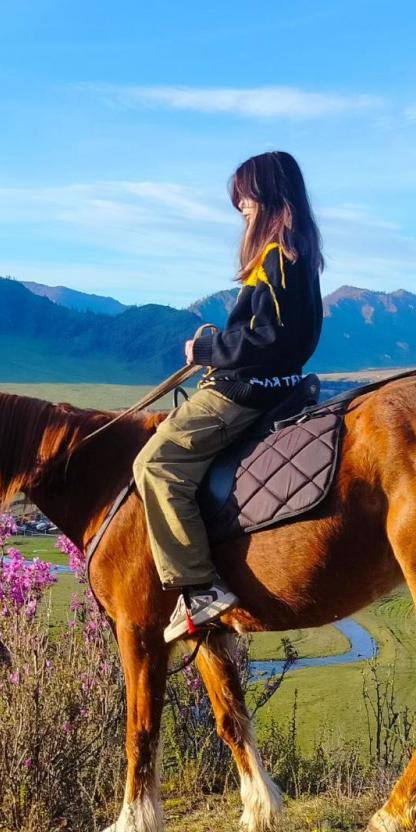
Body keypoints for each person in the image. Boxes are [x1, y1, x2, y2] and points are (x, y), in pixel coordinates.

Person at [132, 151, 324, 643]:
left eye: (246, 197)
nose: (241, 207)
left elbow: (273, 339)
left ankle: (200, 588)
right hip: (275, 385)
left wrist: (208, 350)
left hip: (246, 390)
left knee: (155, 463)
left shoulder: (277, 255)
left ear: (270, 195)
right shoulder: (296, 253)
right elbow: (283, 336)